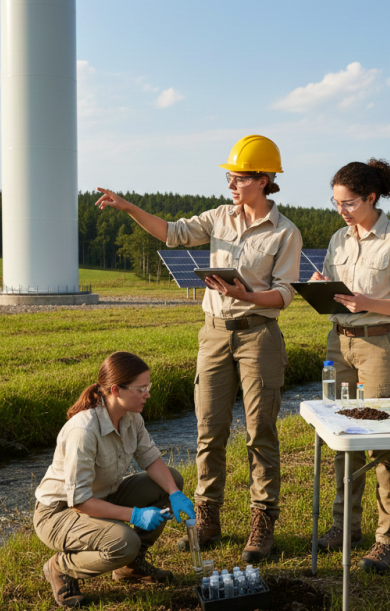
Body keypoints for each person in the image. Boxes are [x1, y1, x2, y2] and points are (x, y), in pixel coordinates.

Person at [96, 135, 302, 563]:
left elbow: (283, 295)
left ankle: (262, 522)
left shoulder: (285, 232)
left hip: (258, 335)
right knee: (209, 429)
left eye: (239, 177)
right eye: (228, 176)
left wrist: (243, 293)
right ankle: (208, 516)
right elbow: (172, 234)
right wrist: (129, 206)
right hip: (213, 333)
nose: (231, 183)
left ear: (263, 181)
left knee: (260, 431)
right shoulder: (218, 217)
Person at [310, 158, 390, 573]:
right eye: (336, 202)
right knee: (343, 437)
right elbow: (340, 293)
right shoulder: (339, 239)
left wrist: (366, 302)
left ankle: (389, 541)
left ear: (372, 198)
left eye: (349, 202)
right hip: (338, 343)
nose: (341, 210)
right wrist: (324, 289)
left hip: (380, 345)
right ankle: (345, 527)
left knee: (385, 442)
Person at [34, 351, 195, 608]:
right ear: (116, 390)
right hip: (59, 514)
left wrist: (175, 493)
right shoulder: (83, 431)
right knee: (124, 541)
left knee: (169, 480)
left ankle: (131, 568)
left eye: (148, 387)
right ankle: (61, 567)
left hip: (102, 497)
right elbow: (79, 501)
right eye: (141, 388)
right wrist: (135, 515)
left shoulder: (132, 418)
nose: (148, 394)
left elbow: (151, 459)